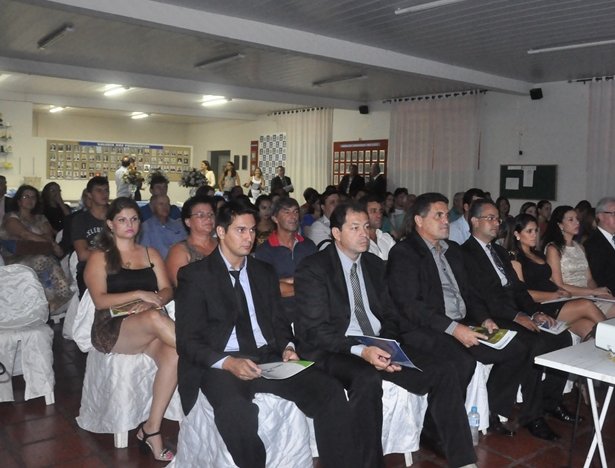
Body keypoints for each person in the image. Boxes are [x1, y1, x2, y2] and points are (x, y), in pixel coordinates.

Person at [175, 198, 360, 468]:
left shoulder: (263, 272)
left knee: (329, 390)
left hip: (267, 357)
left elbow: (279, 322)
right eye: (240, 230)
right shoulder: (195, 275)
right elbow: (187, 341)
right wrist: (228, 363)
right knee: (235, 412)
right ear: (221, 231)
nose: (249, 237)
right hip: (222, 362)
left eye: (252, 230)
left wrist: (287, 347)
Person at [295, 201, 478, 468]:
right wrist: (363, 351)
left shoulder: (373, 264)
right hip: (337, 348)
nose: (363, 233)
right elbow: (315, 330)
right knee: (366, 378)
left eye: (365, 226)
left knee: (444, 370)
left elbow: (391, 314)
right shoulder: (315, 267)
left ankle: (463, 460)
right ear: (336, 233)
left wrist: (388, 344)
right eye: (354, 228)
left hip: (376, 342)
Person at [387, 192, 558, 440]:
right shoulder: (405, 253)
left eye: (446, 215)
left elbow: (470, 293)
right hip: (424, 327)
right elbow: (411, 306)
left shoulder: (452, 250)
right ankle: (433, 430)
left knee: (518, 348)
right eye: (438, 215)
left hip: (462, 322)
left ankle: (492, 410)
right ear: (419, 220)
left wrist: (484, 318)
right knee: (461, 362)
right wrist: (454, 329)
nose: (446, 220)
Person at [461, 199, 582, 435]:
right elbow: (478, 295)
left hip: (514, 311)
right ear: (474, 221)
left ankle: (551, 400)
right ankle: (530, 416)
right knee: (534, 343)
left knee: (563, 338)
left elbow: (518, 288)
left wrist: (535, 312)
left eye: (497, 219)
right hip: (491, 315)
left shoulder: (499, 251)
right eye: (490, 218)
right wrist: (518, 316)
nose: (496, 223)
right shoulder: (465, 253)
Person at [83, 197, 178, 461]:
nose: (130, 224)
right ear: (110, 224)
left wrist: (154, 300)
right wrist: (139, 294)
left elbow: (167, 289)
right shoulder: (100, 257)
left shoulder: (150, 253)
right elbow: (100, 300)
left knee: (174, 355)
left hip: (146, 324)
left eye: (134, 218)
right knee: (155, 318)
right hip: (112, 327)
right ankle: (211, 358)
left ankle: (151, 429)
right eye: (122, 219)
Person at [504, 213, 605, 339]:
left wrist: (561, 291)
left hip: (555, 300)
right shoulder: (515, 258)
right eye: (529, 231)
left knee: (588, 327)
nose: (534, 235)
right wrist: (555, 295)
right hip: (539, 306)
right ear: (517, 234)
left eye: (536, 230)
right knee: (587, 305)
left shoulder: (538, 254)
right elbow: (522, 293)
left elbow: (549, 280)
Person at [542, 205, 615, 318]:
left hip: (588, 294)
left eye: (577, 219)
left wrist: (598, 292)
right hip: (570, 297)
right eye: (571, 220)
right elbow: (559, 284)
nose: (577, 222)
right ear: (560, 225)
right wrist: (593, 292)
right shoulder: (553, 249)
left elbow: (589, 279)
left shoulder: (580, 247)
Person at [0, 184, 73, 312]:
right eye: (26, 197)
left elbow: (48, 235)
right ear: (18, 201)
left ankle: (52, 302)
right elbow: (25, 234)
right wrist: (51, 243)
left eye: (33, 197)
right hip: (16, 256)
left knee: (48, 260)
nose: (30, 200)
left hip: (42, 253)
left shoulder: (40, 218)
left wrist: (44, 240)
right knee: (43, 260)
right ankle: (54, 300)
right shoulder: (11, 217)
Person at [254, 197, 317, 325]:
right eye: (287, 212)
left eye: (296, 212)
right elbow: (270, 289)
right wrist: (304, 284)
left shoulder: (308, 245)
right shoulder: (265, 251)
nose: (293, 217)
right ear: (275, 218)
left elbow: (318, 280)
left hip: (311, 309)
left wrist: (285, 281)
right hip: (280, 314)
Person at [165, 195, 217, 288]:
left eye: (211, 214)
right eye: (201, 215)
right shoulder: (179, 251)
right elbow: (184, 288)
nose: (208, 218)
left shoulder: (223, 244)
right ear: (188, 222)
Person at [72, 176, 111, 296]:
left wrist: (94, 250)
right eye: (99, 190)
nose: (104, 194)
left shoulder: (116, 217)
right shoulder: (80, 220)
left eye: (106, 190)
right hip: (90, 268)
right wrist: (112, 252)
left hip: (116, 267)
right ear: (89, 194)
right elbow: (83, 255)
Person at [138, 194, 186, 260]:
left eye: (167, 204)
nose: (165, 207)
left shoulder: (179, 225)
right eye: (161, 204)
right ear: (152, 207)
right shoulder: (145, 228)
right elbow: (146, 254)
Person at [361, 194, 395, 261]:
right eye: (374, 211)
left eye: (380, 211)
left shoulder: (387, 238)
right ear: (363, 214)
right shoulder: (359, 241)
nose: (379, 215)